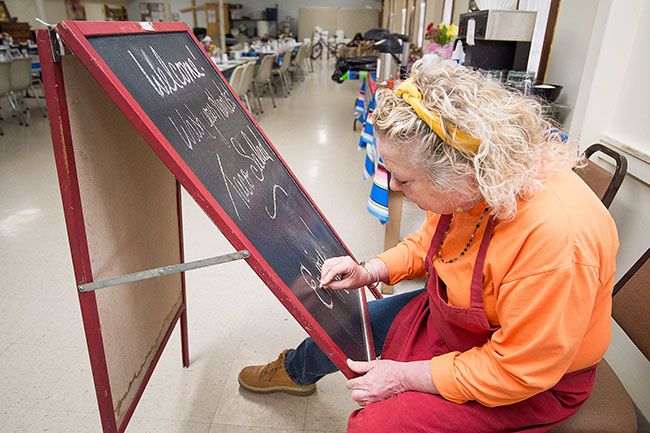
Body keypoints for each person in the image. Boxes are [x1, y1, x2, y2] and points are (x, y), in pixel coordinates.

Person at [238, 61, 618, 432]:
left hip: (525, 377)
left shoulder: (556, 238)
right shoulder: (477, 182)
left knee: (376, 425)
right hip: (457, 316)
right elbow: (432, 244)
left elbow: (518, 369)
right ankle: (295, 372)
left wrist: (404, 377)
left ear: (460, 172)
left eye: (404, 179)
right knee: (350, 323)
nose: (393, 188)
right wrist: (370, 270)